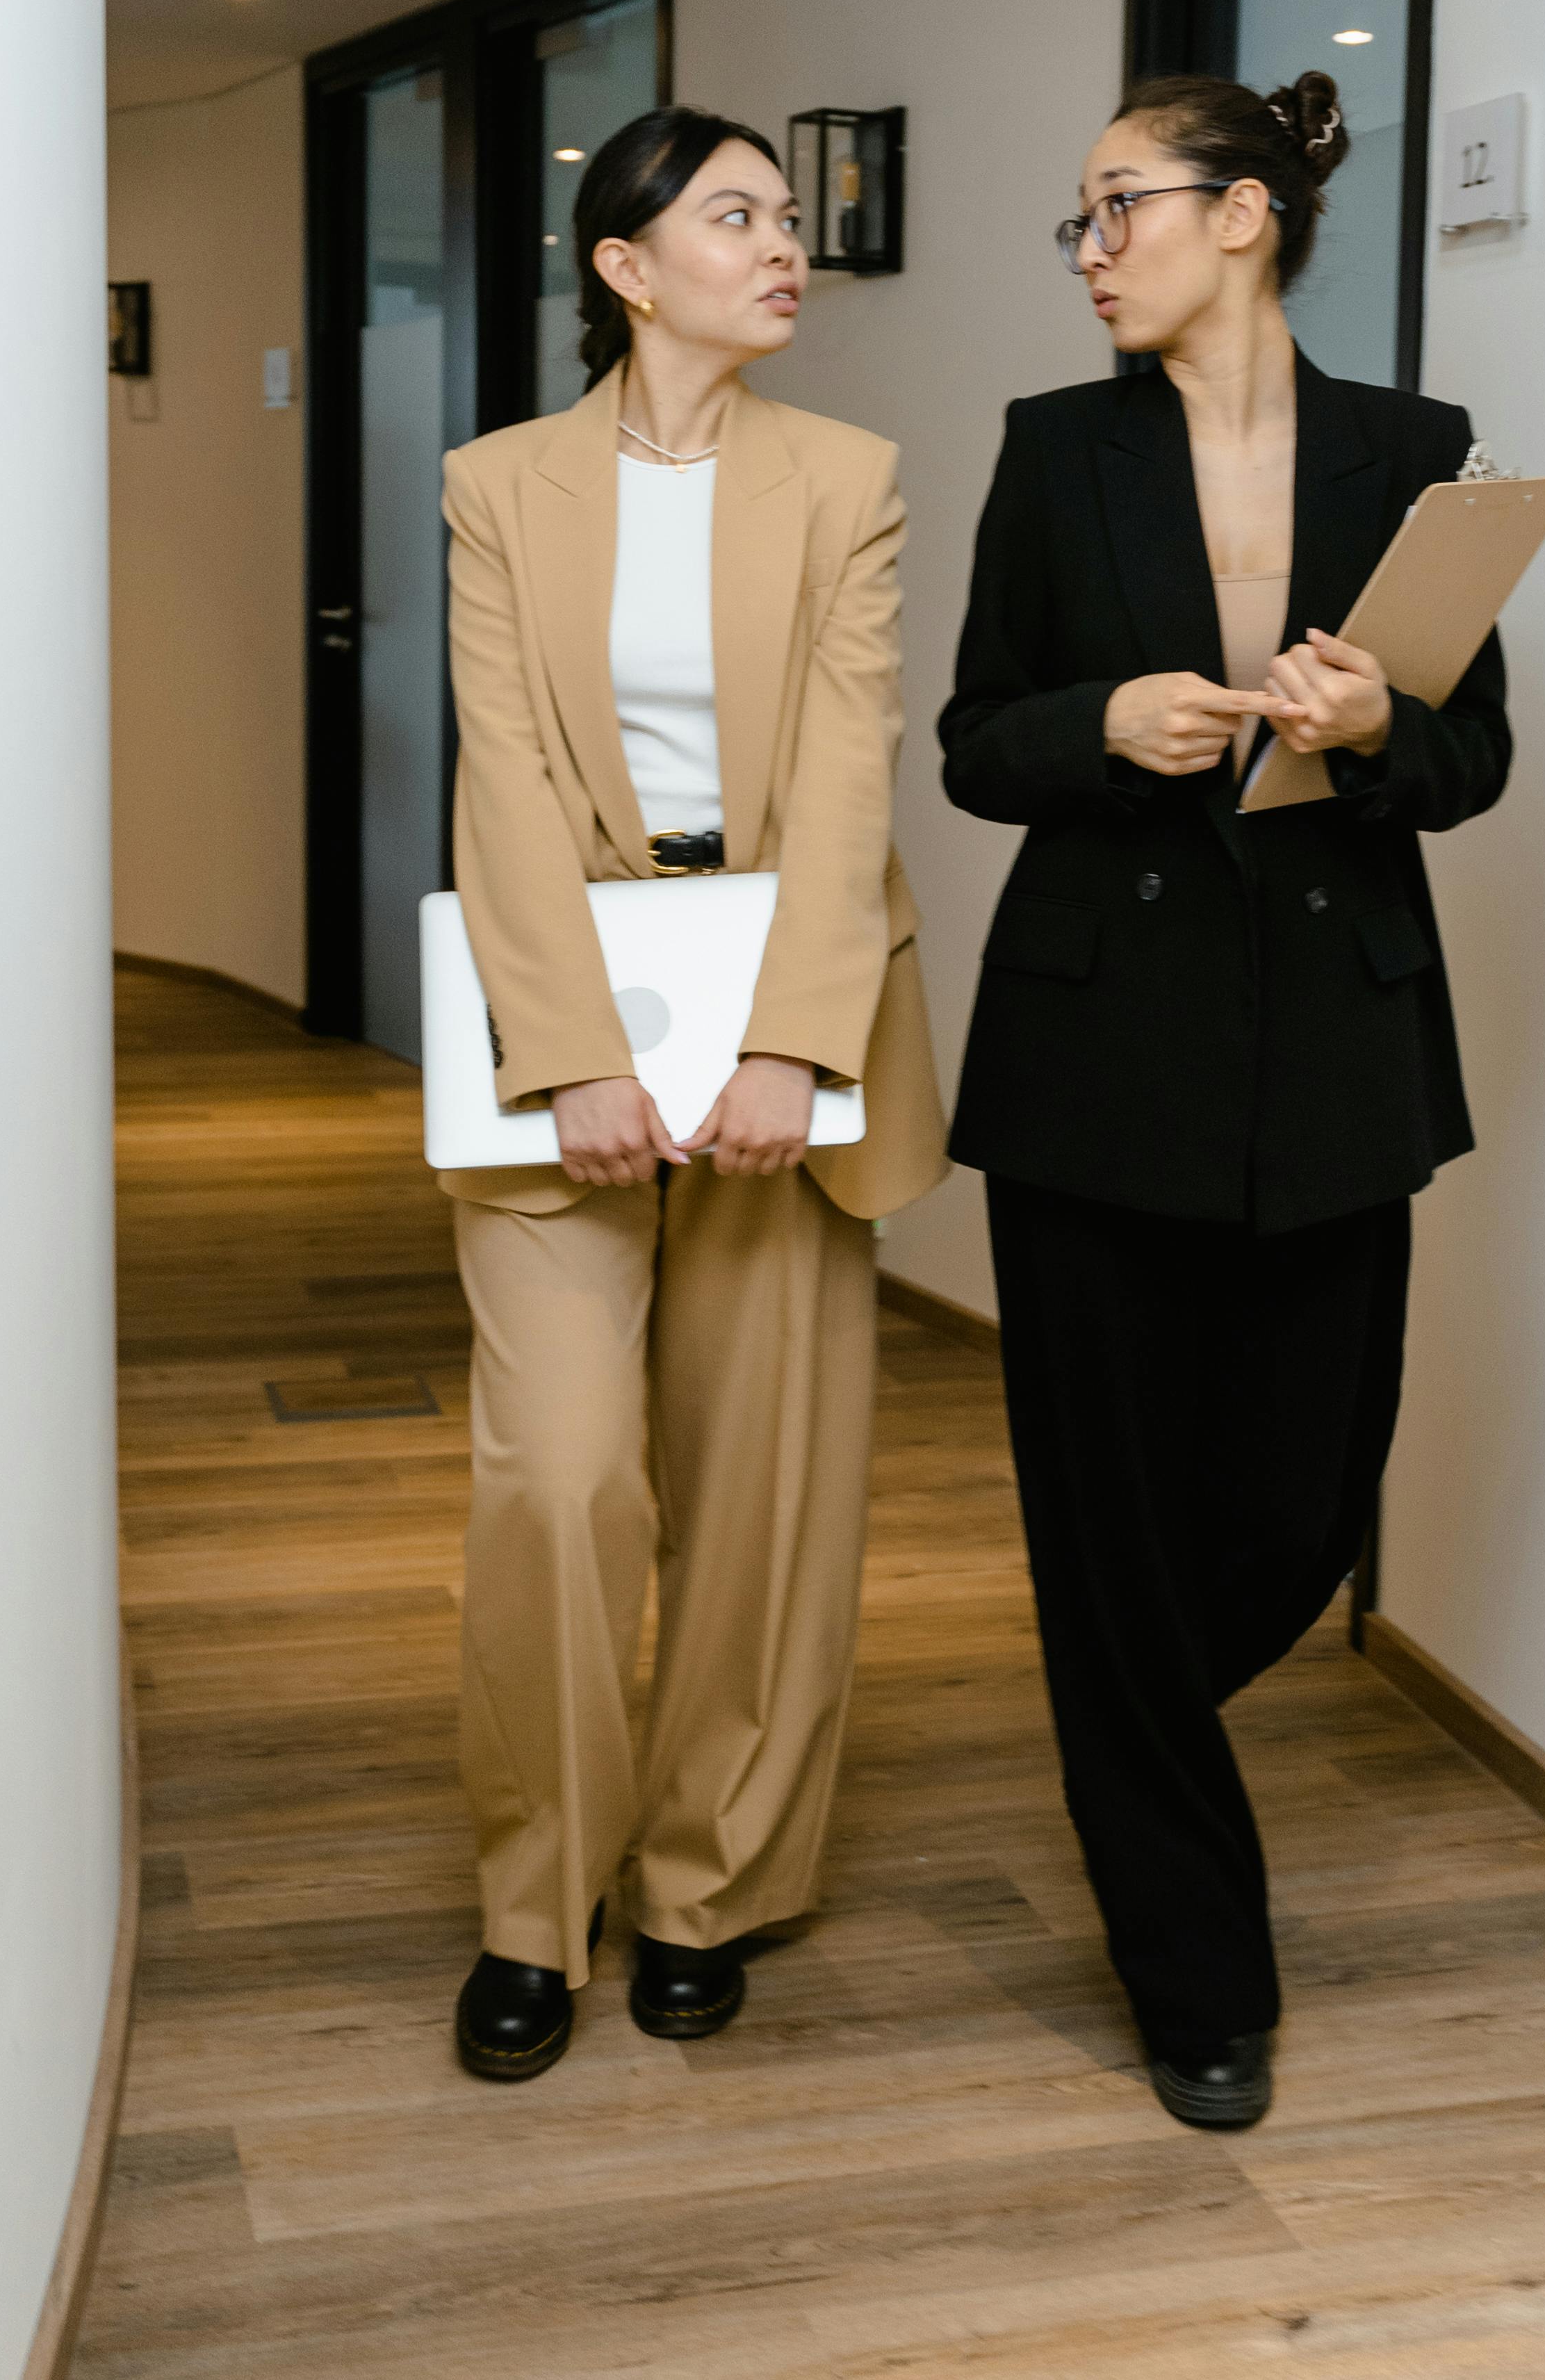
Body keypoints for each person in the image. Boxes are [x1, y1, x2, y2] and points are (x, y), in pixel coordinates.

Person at [939, 70, 1510, 2133]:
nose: (1092, 248)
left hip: (1341, 1056)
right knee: (1105, 1524)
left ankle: (1131, 1724)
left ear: (1247, 216)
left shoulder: (1414, 457)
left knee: (1290, 1498)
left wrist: (1374, 735)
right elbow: (978, 740)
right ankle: (1199, 1971)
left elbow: (1474, 768)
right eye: (1078, 219)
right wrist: (1099, 721)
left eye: (1121, 206)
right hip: (1096, 1057)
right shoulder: (1051, 450)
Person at [440, 105, 946, 2081]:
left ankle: (699, 1890)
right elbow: (500, 773)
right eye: (736, 217)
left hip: (786, 1029)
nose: (784, 245)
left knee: (762, 1501)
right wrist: (568, 1049)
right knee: (558, 1481)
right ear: (626, 270)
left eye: (789, 217)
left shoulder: (852, 480)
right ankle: (528, 1904)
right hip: (572, 1003)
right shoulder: (501, 485)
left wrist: (789, 1041)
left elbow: (847, 763)